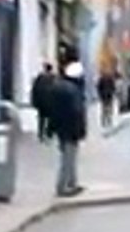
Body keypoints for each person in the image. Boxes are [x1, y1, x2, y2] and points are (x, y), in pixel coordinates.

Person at [48, 59, 88, 197]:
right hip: (71, 129)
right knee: (69, 158)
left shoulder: (58, 87)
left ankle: (72, 182)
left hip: (61, 128)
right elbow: (77, 112)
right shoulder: (73, 91)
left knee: (68, 156)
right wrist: (81, 130)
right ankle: (63, 186)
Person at [29, 62, 56, 142]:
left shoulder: (39, 78)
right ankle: (49, 134)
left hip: (42, 102)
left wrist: (34, 101)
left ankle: (40, 134)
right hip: (51, 102)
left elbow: (35, 90)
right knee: (51, 119)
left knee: (41, 119)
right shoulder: (54, 78)